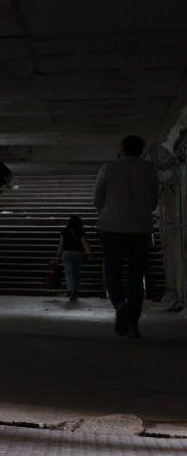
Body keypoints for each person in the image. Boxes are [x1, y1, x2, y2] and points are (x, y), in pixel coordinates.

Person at [95, 135, 159, 338]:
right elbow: (154, 201)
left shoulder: (108, 168)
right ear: (141, 150)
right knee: (136, 277)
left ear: (121, 148)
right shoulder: (149, 169)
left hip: (112, 227)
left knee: (112, 273)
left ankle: (120, 304)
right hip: (140, 229)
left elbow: (98, 198)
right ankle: (134, 324)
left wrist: (107, 213)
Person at [55, 216, 93, 301]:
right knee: (77, 272)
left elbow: (61, 244)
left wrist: (57, 256)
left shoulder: (64, 231)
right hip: (78, 254)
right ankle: (75, 290)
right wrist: (90, 253)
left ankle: (71, 290)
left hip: (66, 253)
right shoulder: (81, 231)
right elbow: (84, 243)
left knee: (69, 272)